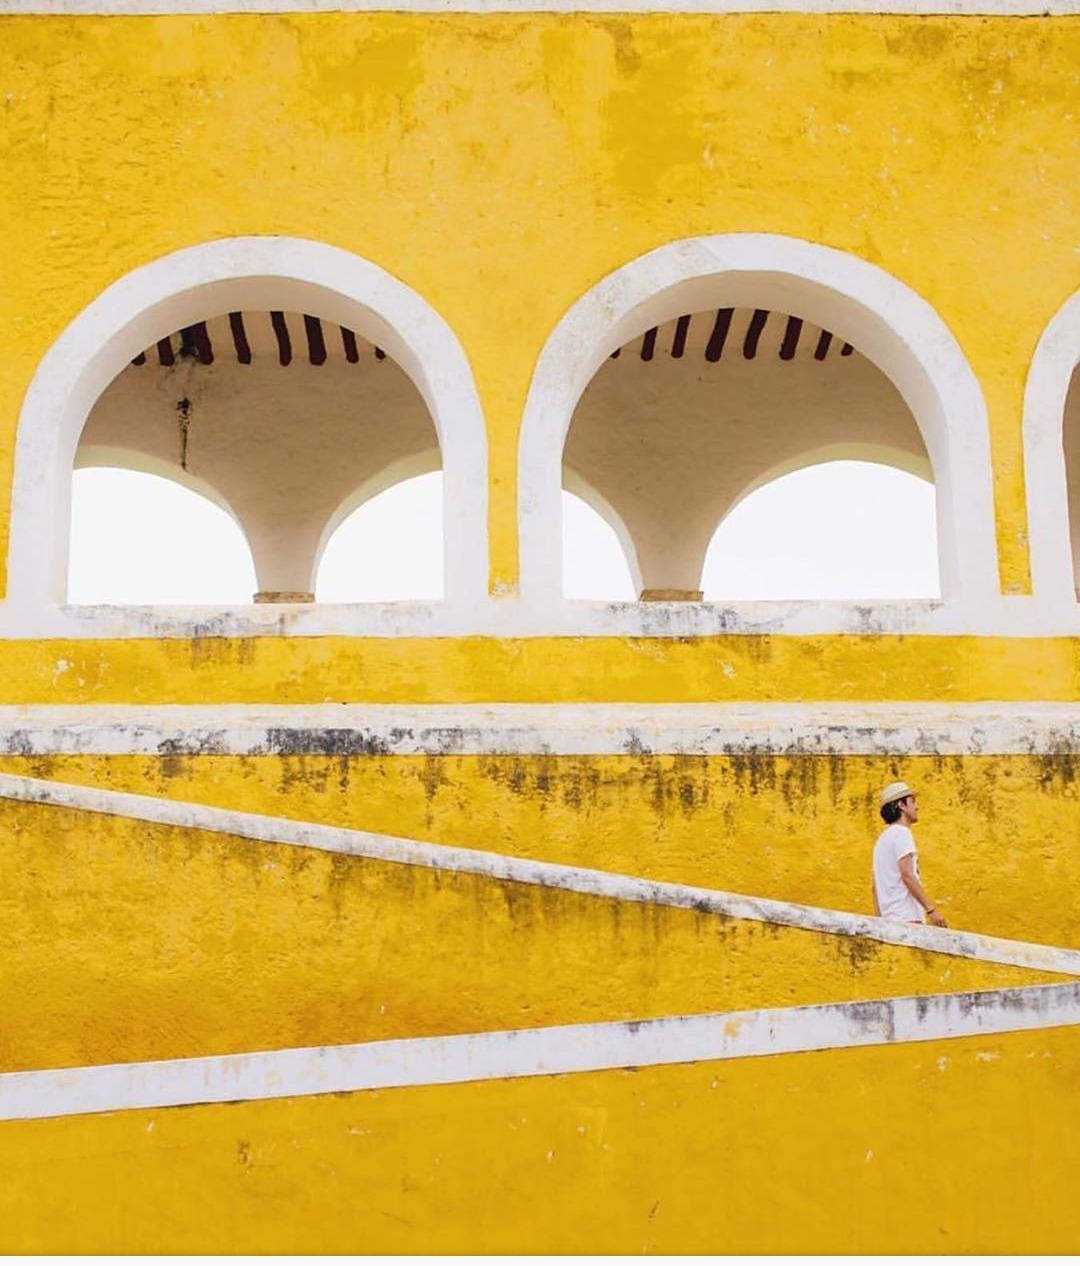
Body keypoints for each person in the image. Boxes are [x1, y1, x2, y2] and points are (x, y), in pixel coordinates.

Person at [872, 781, 947, 927]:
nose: (916, 807)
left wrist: (880, 922)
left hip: (889, 921)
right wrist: (930, 910)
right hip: (907, 917)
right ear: (901, 805)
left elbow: (875, 887)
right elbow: (907, 874)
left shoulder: (882, 840)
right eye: (912, 802)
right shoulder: (902, 833)